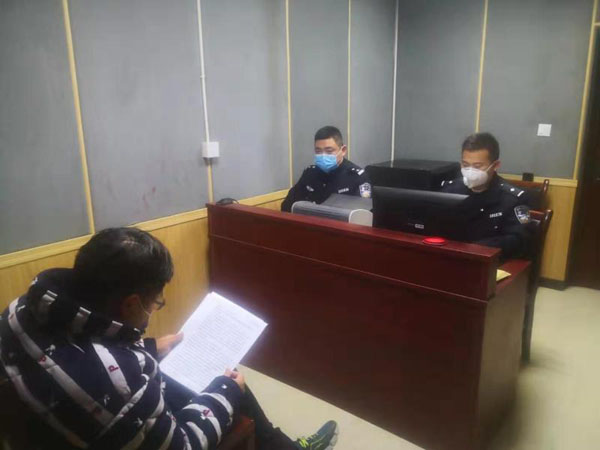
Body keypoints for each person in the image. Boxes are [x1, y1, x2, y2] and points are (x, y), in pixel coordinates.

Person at [0, 227, 338, 450]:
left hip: (52, 425)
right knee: (230, 384)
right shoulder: (122, 383)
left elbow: (79, 349)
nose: (154, 308)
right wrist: (225, 392)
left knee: (215, 378)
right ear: (131, 304)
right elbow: (183, 445)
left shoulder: (20, 309)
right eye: (155, 302)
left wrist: (150, 347)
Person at [441, 132, 532, 260]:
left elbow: (519, 240)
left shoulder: (513, 199)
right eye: (465, 165)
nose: (470, 171)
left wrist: (475, 248)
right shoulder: (450, 190)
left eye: (477, 166)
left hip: (489, 261)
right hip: (451, 257)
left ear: (495, 166)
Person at [281, 126, 371, 212]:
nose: (323, 155)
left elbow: (361, 215)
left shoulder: (356, 177)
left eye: (329, 151)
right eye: (318, 151)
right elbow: (287, 206)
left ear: (343, 150)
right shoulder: (310, 173)